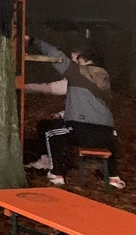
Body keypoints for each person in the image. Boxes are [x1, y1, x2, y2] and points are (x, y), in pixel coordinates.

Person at [25, 48, 124, 189]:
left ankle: (55, 171)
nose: (73, 63)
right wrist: (62, 114)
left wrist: (22, 86)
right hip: (106, 133)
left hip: (83, 131)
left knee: (50, 131)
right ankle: (114, 176)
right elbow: (88, 106)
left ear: (86, 61)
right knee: (111, 134)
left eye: (76, 60)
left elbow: (51, 88)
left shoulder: (78, 76)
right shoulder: (103, 79)